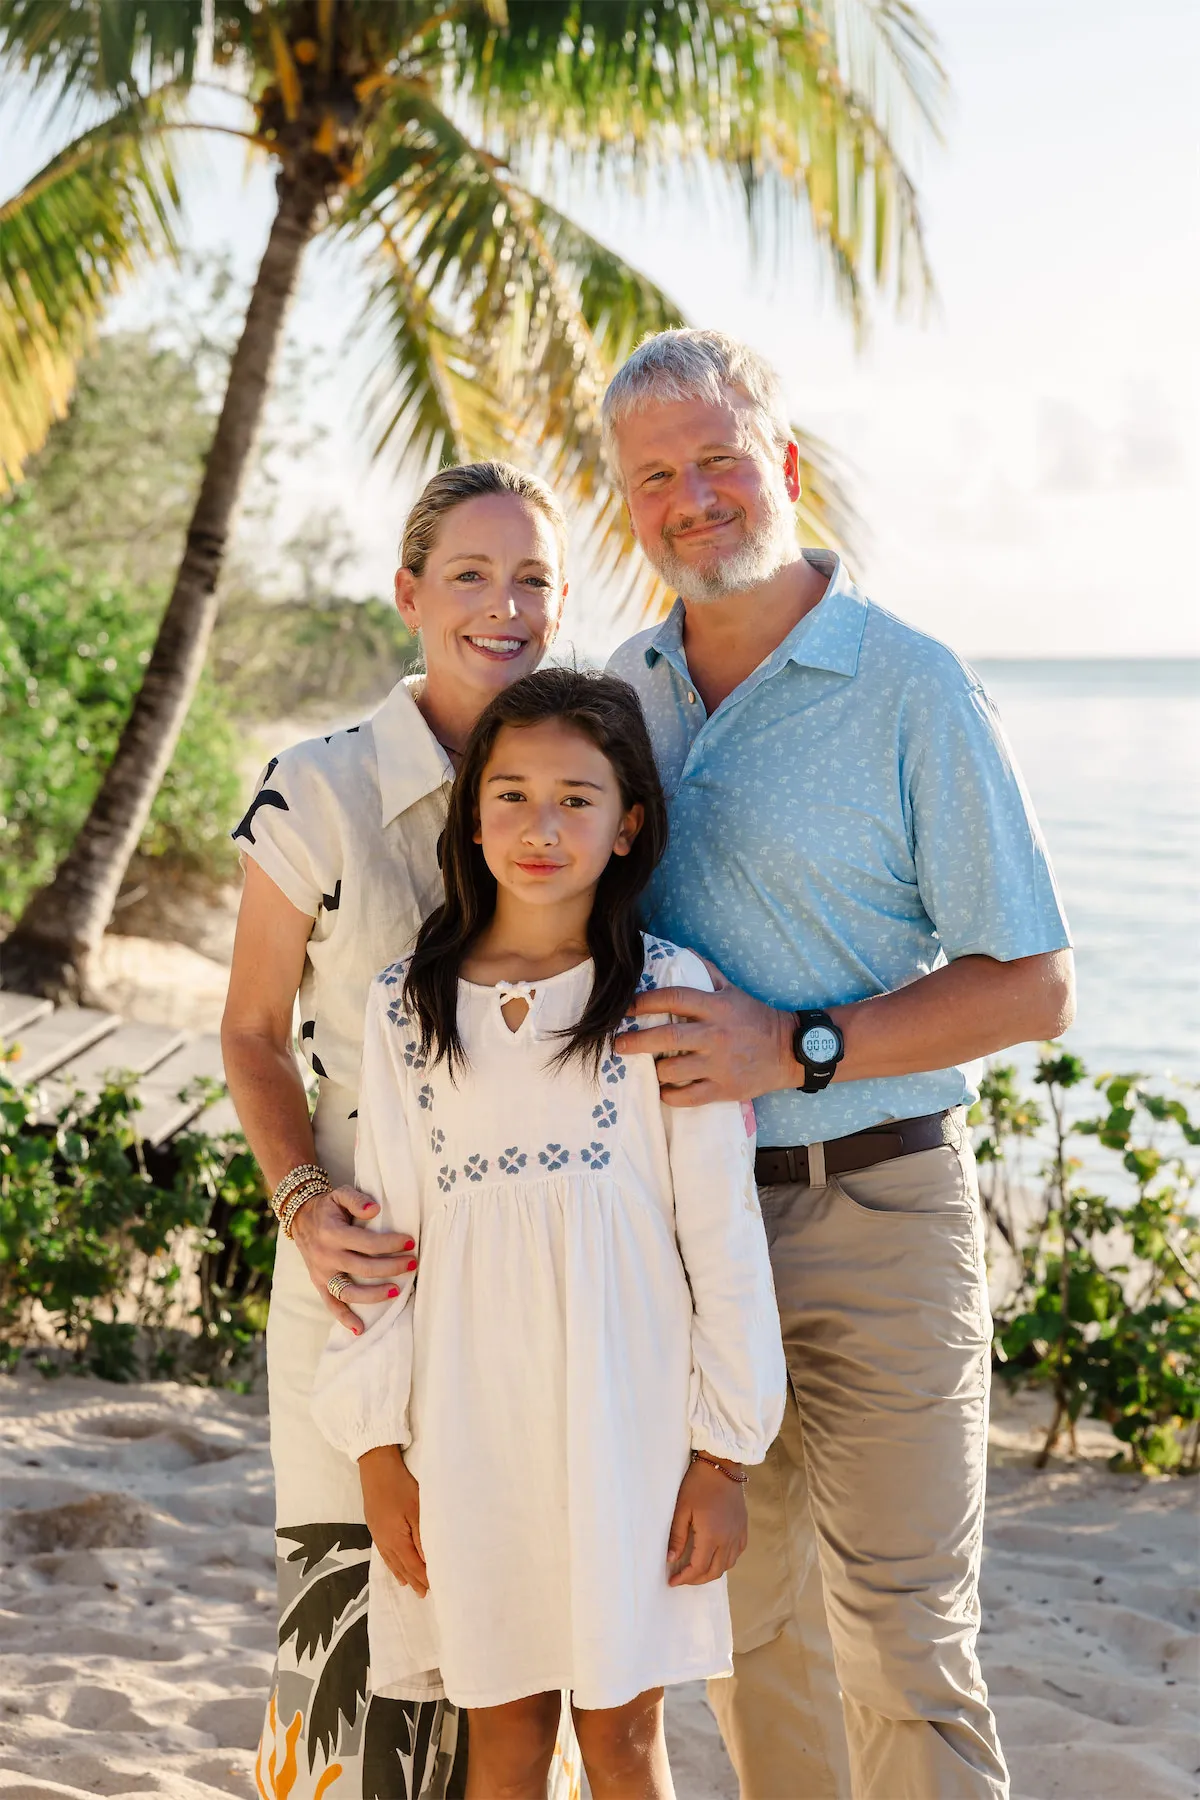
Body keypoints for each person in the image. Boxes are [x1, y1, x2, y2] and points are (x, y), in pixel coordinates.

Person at [601, 329, 1076, 1800]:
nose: (696, 497)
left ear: (785, 465)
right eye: (657, 475)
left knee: (904, 1645)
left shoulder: (910, 683)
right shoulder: (621, 695)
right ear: (629, 503)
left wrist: (797, 1047)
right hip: (687, 1241)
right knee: (749, 1639)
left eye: (722, 459)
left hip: (879, 1216)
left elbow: (1037, 984)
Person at [309, 667, 787, 1800]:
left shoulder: (670, 995)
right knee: (507, 1735)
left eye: (577, 798)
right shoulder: (405, 1008)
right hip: (469, 1433)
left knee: (622, 1738)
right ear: (471, 816)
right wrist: (380, 1455)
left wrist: (722, 1458)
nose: (541, 826)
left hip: (630, 1434)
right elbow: (387, 1246)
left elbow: (720, 1239)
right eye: (512, 795)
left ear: (629, 825)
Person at [221, 462, 577, 1800]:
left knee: (515, 1678)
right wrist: (304, 1199)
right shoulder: (316, 790)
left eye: (535, 576)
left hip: (536, 1303)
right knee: (346, 1650)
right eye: (472, 574)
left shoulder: (592, 775)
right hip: (356, 1292)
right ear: (409, 594)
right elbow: (250, 1034)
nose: (505, 605)